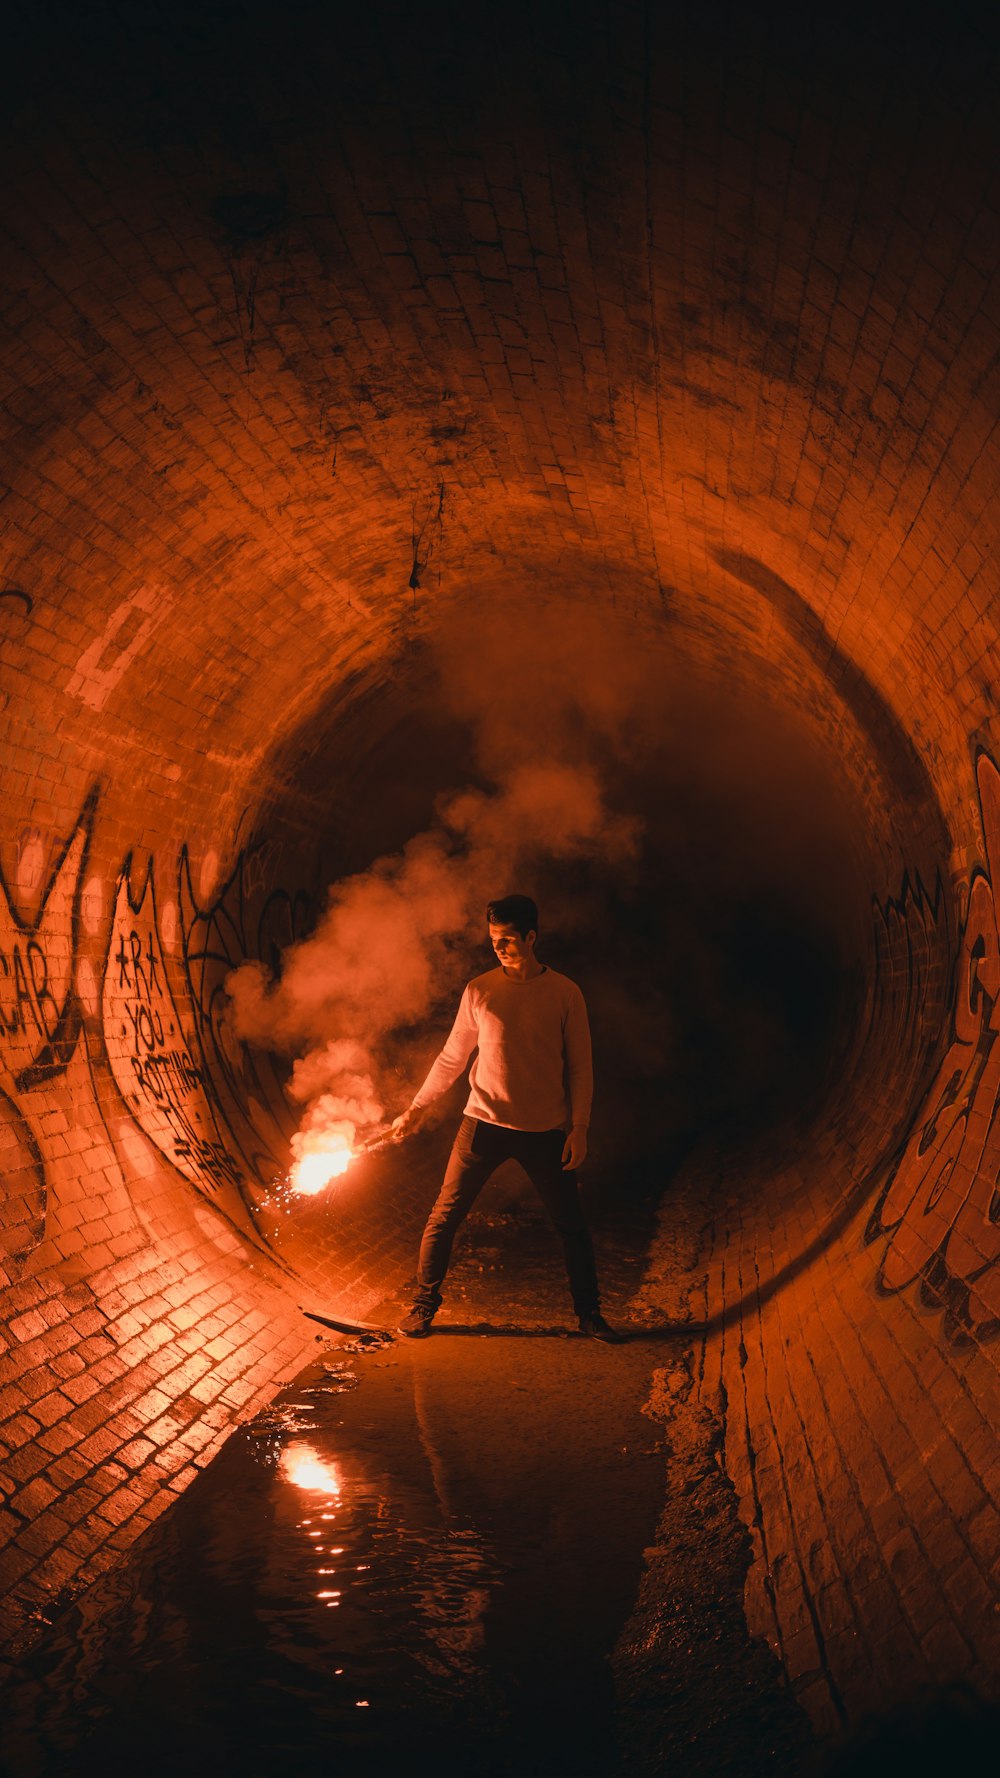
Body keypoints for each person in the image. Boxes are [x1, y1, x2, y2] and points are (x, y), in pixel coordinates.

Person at [391, 894, 624, 1342]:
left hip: (544, 1131)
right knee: (444, 1217)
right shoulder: (480, 990)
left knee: (571, 1225)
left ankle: (590, 1315)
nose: (499, 947)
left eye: (508, 939)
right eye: (494, 939)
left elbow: (581, 1067)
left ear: (532, 937)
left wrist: (579, 1127)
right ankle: (422, 1308)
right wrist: (417, 1107)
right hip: (482, 1124)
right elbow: (452, 1058)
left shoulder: (564, 993)